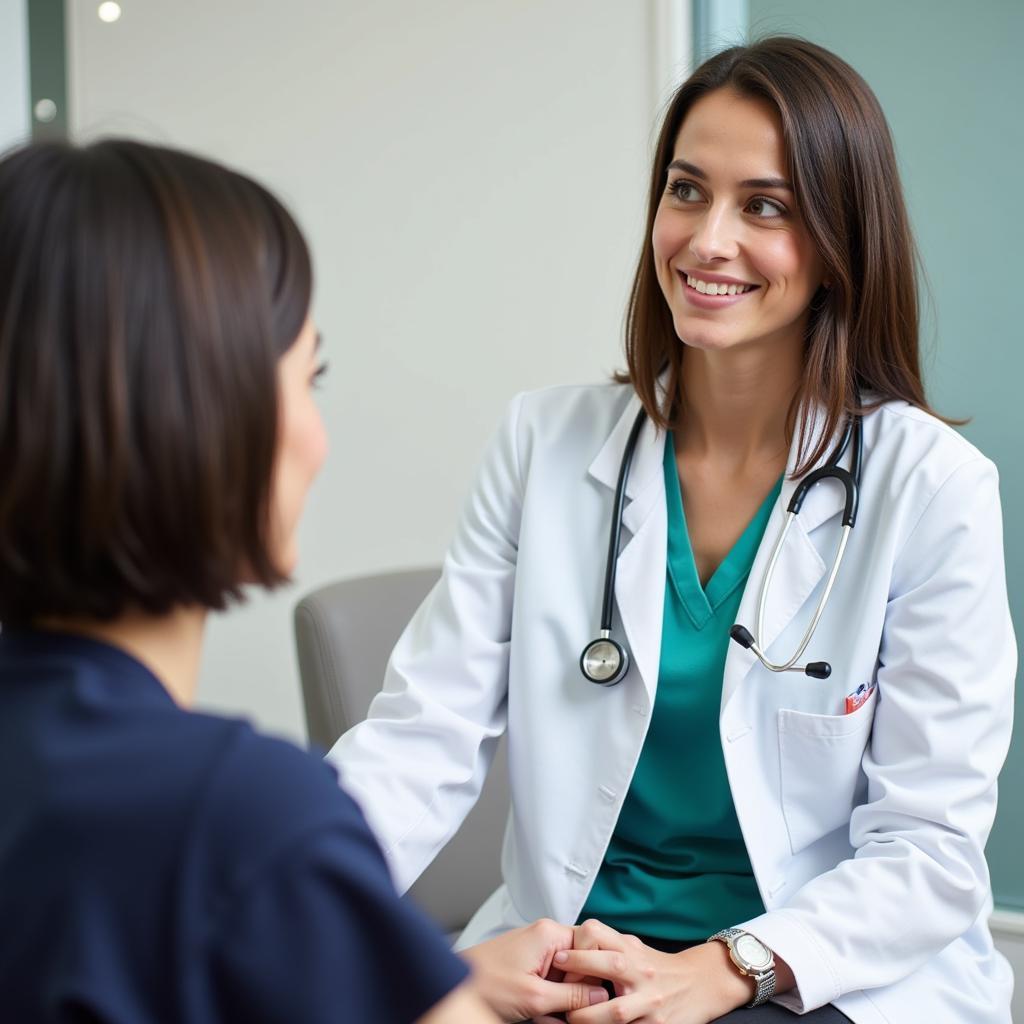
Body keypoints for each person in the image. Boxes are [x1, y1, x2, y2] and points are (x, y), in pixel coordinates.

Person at [329, 36, 1017, 1023]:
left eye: (764, 206)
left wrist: (724, 966)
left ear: (836, 242)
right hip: (574, 957)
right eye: (686, 191)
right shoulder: (544, 443)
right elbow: (421, 737)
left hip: (814, 973)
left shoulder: (929, 487)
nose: (705, 240)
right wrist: (276, 891)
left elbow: (929, 848)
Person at [0, 139, 612, 1023]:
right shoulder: (239, 819)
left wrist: (404, 969)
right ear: (207, 422)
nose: (319, 437)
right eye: (307, 377)